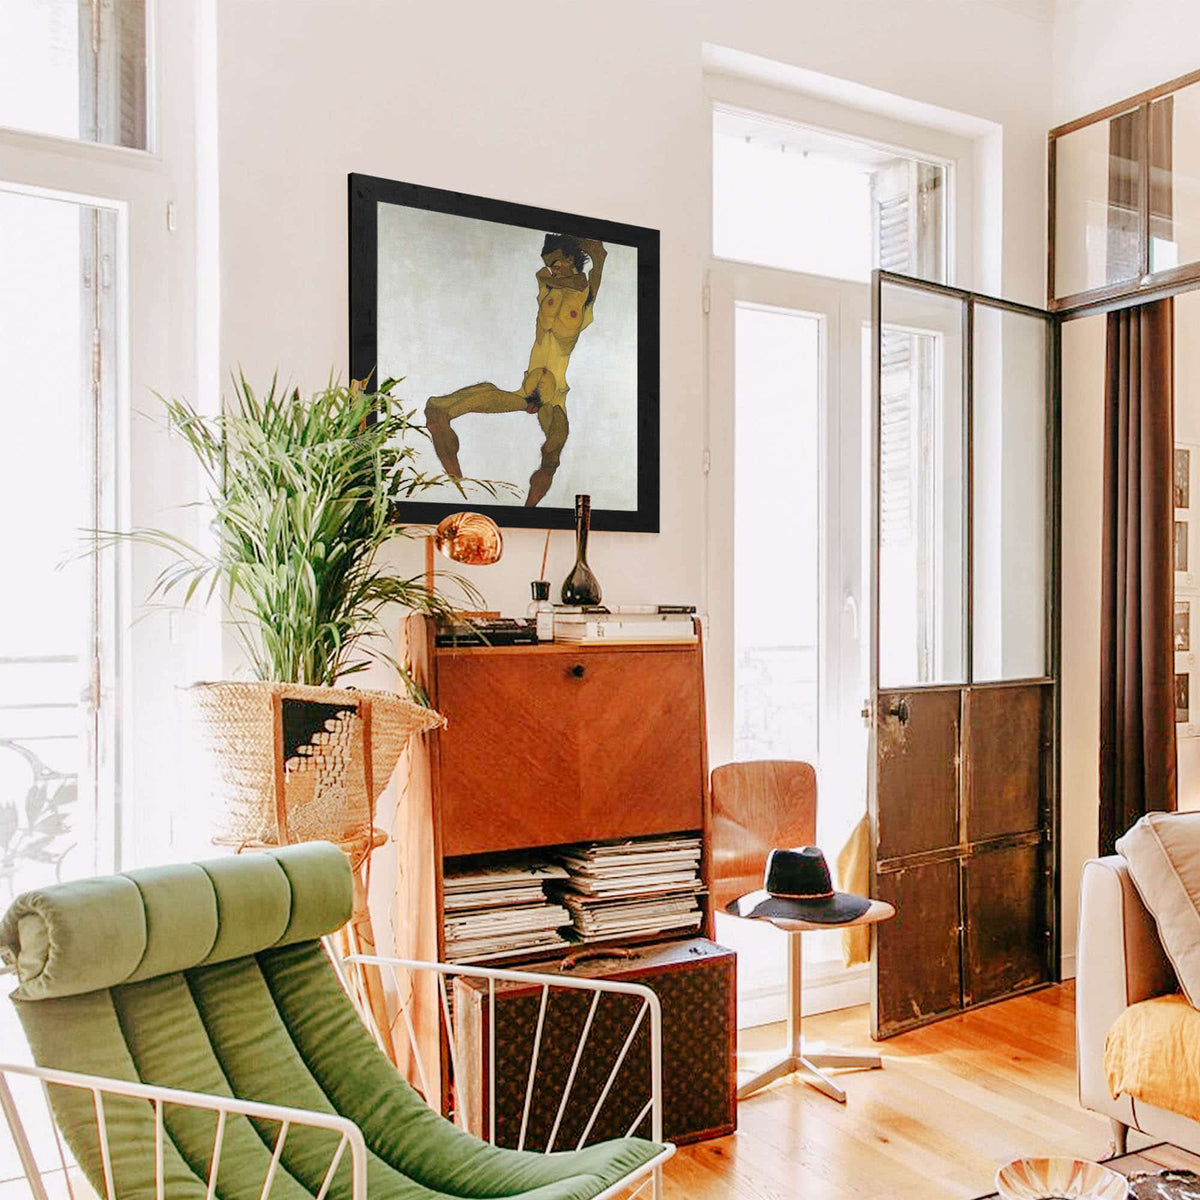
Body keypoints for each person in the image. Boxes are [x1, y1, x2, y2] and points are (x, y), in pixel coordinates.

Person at [424, 233, 606, 507]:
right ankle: (461, 496)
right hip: (524, 390)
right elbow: (548, 277)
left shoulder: (585, 296)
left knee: (552, 451)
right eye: (549, 263)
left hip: (553, 397)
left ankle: (527, 512)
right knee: (437, 412)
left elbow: (594, 265)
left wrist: (595, 253)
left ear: (570, 259)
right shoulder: (547, 287)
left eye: (556, 262)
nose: (551, 267)